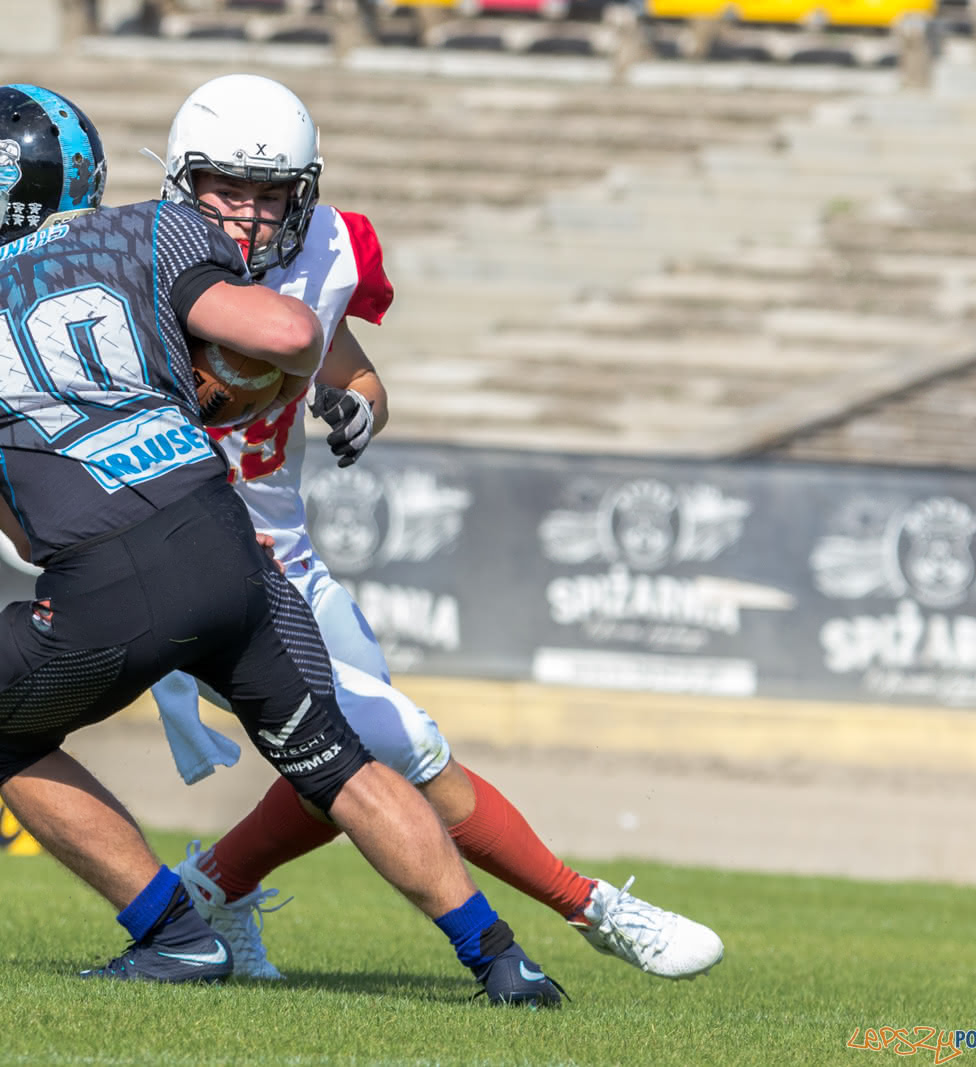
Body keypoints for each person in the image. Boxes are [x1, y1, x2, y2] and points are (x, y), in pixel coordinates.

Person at [0, 82, 566, 1006]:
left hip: (102, 571)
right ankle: (502, 959)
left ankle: (171, 933)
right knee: (339, 761)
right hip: (227, 543)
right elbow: (285, 331)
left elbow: (24, 520)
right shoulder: (145, 234)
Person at [138, 74, 726, 983]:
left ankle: (208, 892)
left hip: (290, 556)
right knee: (401, 742)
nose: (251, 216)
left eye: (271, 192)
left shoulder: (333, 246)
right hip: (189, 563)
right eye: (229, 189)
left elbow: (345, 360)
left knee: (351, 761)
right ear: (182, 182)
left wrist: (360, 402)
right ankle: (592, 906)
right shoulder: (127, 262)